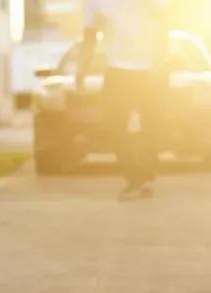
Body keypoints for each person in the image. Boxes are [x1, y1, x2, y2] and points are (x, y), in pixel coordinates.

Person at [76, 0, 172, 201]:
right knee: (114, 127)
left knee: (153, 126)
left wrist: (160, 62)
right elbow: (89, 36)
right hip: (117, 70)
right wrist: (81, 69)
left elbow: (164, 23)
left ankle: (144, 177)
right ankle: (135, 180)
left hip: (150, 70)